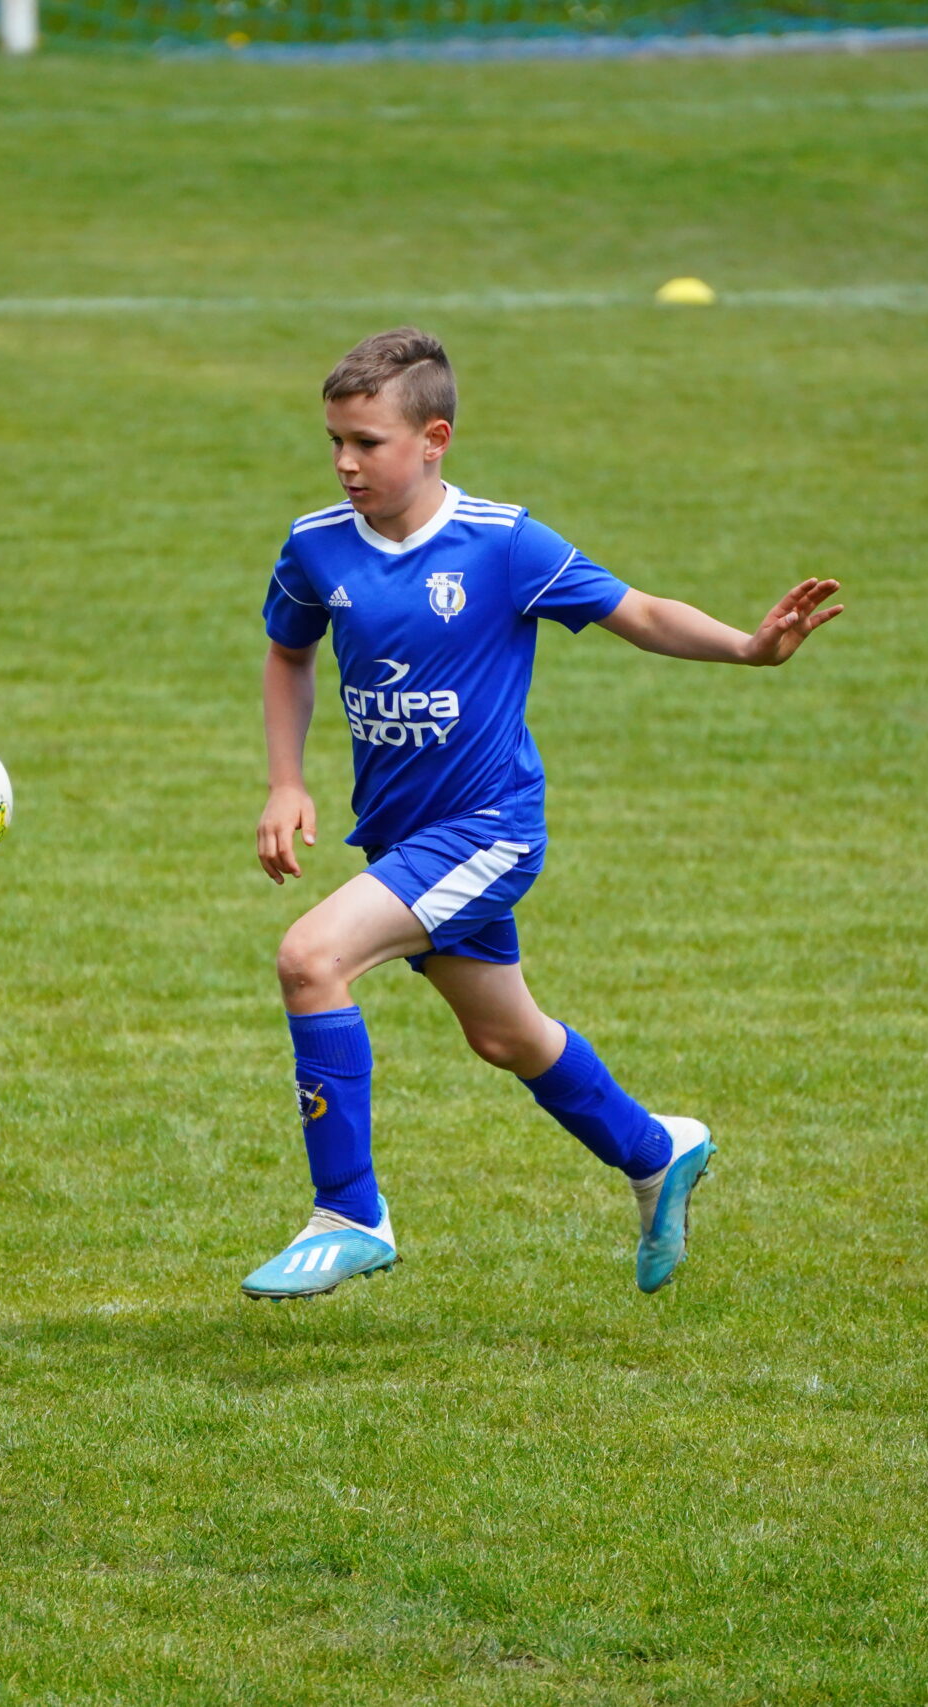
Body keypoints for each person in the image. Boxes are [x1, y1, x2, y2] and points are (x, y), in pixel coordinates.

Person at [243, 327, 842, 1300]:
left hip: (487, 830)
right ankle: (655, 1151)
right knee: (507, 1037)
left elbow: (636, 611)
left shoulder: (503, 542)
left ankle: (348, 1211)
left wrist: (746, 646)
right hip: (401, 836)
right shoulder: (316, 545)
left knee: (312, 957)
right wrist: (285, 780)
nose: (346, 463)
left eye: (368, 443)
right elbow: (288, 652)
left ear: (434, 439)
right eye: (334, 442)